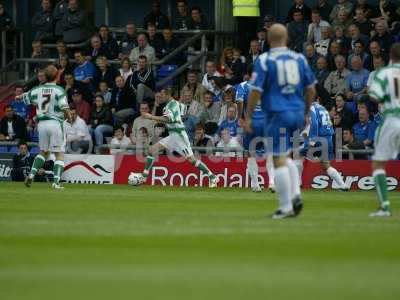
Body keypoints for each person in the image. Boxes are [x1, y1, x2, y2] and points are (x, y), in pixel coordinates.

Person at [245, 24, 316, 219]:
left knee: (277, 158)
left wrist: (249, 116)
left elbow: (256, 91)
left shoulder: (265, 59)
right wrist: (306, 112)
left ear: (268, 39)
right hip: (296, 112)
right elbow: (311, 89)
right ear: (286, 38)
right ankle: (296, 195)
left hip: (277, 113)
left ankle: (285, 207)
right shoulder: (299, 58)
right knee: (285, 155)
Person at [131, 88, 219, 187]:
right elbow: (184, 111)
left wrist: (151, 116)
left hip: (179, 135)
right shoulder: (174, 104)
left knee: (192, 160)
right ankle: (144, 176)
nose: (161, 97)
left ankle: (212, 177)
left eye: (162, 95)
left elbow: (168, 120)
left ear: (168, 94)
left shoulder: (171, 105)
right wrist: (178, 118)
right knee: (151, 150)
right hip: (173, 135)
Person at [19, 65, 71, 189]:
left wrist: (19, 97)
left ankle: (31, 174)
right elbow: (64, 107)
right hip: (55, 123)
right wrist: (68, 117)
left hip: (41, 124)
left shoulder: (38, 89)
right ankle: (56, 182)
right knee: (59, 154)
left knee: (43, 152)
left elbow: (26, 98)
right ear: (57, 76)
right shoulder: (59, 90)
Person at [366, 43, 400, 217]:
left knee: (379, 163)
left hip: (392, 118)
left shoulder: (384, 73)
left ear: (390, 56)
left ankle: (385, 207)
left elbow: (375, 96)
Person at [236, 68, 275, 192]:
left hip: (251, 123)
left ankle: (256, 184)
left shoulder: (243, 86)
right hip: (266, 123)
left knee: (250, 153)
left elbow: (239, 101)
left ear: (248, 74)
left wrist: (241, 117)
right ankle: (272, 182)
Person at [298, 98, 348, 190]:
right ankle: (343, 185)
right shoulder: (322, 107)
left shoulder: (310, 108)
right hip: (328, 138)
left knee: (297, 154)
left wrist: (312, 141)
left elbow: (314, 124)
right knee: (325, 165)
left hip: (318, 138)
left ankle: (298, 183)